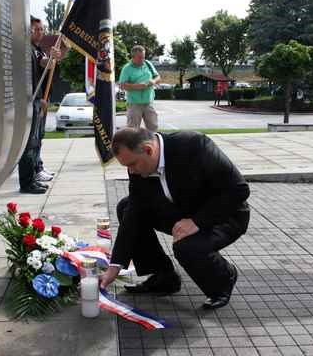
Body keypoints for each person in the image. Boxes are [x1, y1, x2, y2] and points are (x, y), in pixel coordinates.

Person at [100, 127, 250, 310]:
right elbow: (135, 211)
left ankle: (223, 279)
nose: (132, 171)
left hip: (225, 215)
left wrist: (197, 222)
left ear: (148, 150)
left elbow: (238, 190)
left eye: (132, 164)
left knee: (186, 246)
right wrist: (115, 266)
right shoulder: (139, 165)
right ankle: (164, 277)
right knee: (126, 207)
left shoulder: (194, 145)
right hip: (184, 212)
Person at [18, 16, 61, 194]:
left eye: (42, 29)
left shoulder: (36, 50)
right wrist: (37, 99)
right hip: (28, 101)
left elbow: (46, 64)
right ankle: (26, 183)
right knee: (28, 145)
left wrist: (53, 57)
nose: (40, 32)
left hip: (37, 101)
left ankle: (33, 177)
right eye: (37, 29)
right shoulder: (23, 50)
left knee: (34, 142)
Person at [119, 45, 161, 132]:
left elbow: (158, 77)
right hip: (134, 104)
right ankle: (133, 145)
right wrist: (137, 86)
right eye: (140, 57)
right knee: (133, 130)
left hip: (148, 103)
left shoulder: (148, 64)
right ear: (133, 57)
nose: (142, 59)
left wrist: (153, 81)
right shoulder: (127, 68)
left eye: (143, 57)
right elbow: (122, 85)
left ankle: (152, 144)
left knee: (153, 128)